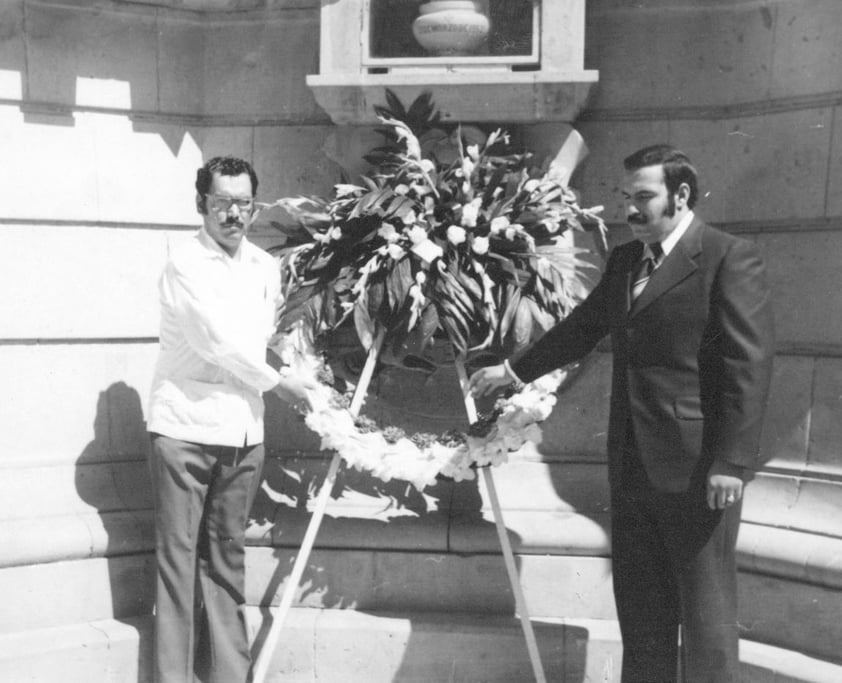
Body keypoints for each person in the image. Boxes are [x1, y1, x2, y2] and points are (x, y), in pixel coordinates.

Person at [469, 144, 774, 682]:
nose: (631, 210)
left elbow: (746, 366)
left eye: (645, 197)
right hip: (633, 465)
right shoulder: (627, 260)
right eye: (627, 197)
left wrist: (731, 460)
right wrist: (515, 372)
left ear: (681, 195)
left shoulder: (727, 256)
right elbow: (585, 327)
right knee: (642, 614)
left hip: (700, 470)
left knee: (706, 618)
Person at [146, 156, 313, 683]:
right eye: (222, 202)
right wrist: (282, 385)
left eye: (244, 203)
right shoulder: (184, 264)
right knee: (177, 566)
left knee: (227, 563)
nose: (234, 214)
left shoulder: (265, 266)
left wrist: (305, 373)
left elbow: (272, 340)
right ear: (202, 205)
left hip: (244, 435)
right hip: (184, 432)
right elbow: (217, 342)